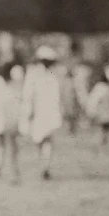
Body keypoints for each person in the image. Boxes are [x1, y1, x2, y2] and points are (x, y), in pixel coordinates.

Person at [20, 46, 62, 180]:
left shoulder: (35, 74)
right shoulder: (53, 75)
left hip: (41, 111)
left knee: (42, 139)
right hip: (47, 111)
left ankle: (44, 166)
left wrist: (28, 111)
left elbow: (28, 94)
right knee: (46, 140)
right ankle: (45, 166)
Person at [86, 64, 109, 150]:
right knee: (100, 132)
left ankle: (104, 148)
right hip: (101, 114)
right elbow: (92, 100)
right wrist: (91, 112)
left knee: (107, 132)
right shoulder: (100, 86)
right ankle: (98, 149)